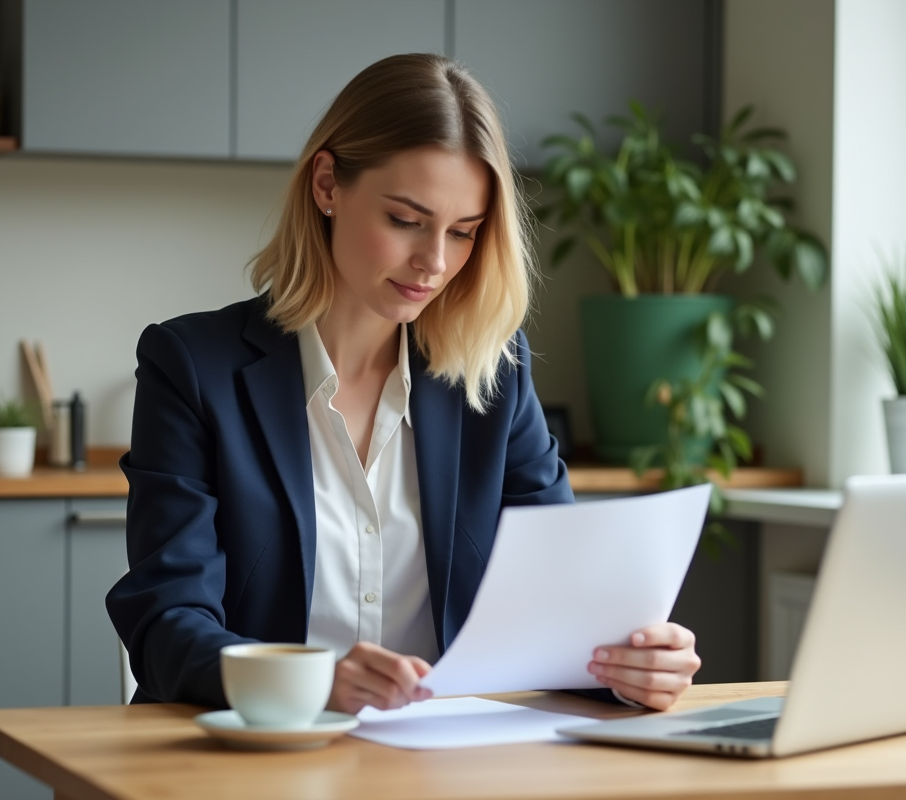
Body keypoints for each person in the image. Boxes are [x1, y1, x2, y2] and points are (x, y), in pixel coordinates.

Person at [105, 53, 700, 715]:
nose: (435, 262)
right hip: (253, 759)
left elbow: (558, 611)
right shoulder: (192, 366)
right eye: (406, 220)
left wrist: (628, 664)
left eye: (464, 232)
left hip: (443, 765)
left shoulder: (494, 377)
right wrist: (316, 682)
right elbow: (165, 624)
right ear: (327, 185)